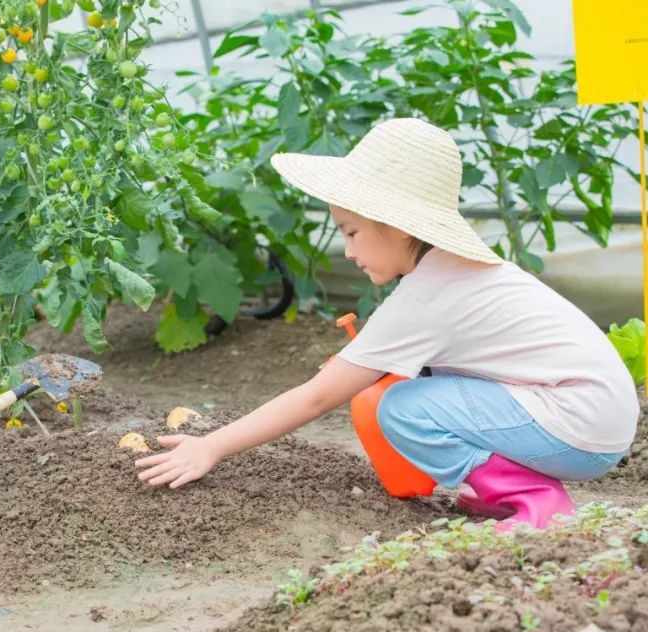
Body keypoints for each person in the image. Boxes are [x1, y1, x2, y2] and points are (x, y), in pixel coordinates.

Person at [136, 117, 639, 530]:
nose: (349, 251)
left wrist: (212, 445)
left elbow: (317, 397)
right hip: (596, 418)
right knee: (422, 386)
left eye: (351, 232)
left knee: (402, 409)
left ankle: (536, 502)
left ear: (397, 226)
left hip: (579, 426)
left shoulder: (426, 298)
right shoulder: (455, 274)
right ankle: (506, 492)